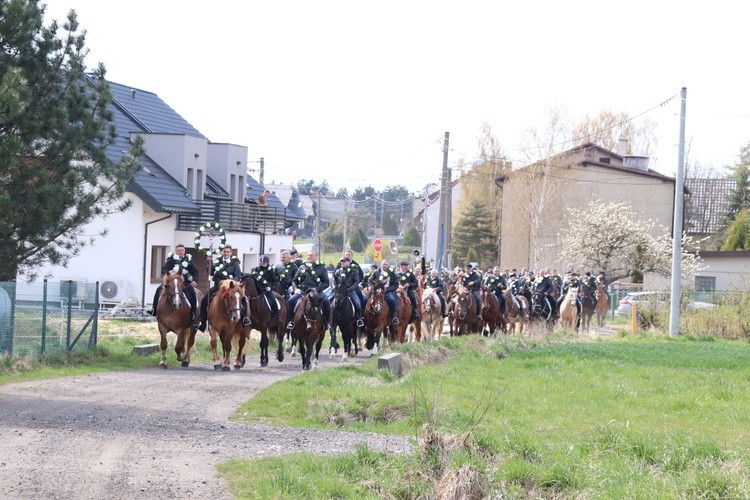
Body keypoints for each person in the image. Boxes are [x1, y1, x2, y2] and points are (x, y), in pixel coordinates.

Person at [196, 245, 247, 332]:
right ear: (222, 252)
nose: (226, 253)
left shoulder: (235, 263)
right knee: (205, 299)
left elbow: (238, 276)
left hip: (232, 287)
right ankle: (203, 323)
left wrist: (230, 283)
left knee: (243, 299)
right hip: (219, 286)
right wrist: (209, 263)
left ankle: (244, 319)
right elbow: (211, 273)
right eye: (224, 251)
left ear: (231, 253)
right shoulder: (217, 261)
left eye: (227, 252)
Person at [147, 244, 200, 327]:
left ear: (184, 251)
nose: (180, 252)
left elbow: (195, 271)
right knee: (158, 289)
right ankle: (154, 309)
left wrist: (194, 280)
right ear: (176, 251)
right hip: (171, 282)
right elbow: (164, 269)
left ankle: (193, 312)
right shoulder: (171, 260)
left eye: (182, 250)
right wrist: (170, 274)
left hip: (184, 283)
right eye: (178, 250)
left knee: (192, 292)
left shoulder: (188, 260)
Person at [286, 250, 330, 330]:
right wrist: (296, 289)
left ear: (316, 257)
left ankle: (326, 323)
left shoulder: (322, 268)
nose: (309, 257)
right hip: (303, 291)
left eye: (311, 255)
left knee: (327, 302)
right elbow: (294, 280)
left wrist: (316, 289)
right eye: (308, 255)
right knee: (290, 301)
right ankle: (291, 321)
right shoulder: (302, 267)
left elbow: (326, 283)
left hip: (317, 292)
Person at [249, 255, 282, 325]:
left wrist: (270, 287)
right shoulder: (256, 270)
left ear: (267, 263)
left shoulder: (270, 270)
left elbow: (275, 280)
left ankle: (277, 316)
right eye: (261, 263)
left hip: (267, 289)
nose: (262, 264)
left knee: (273, 299)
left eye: (264, 263)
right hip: (257, 289)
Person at [333, 256, 364, 327]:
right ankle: (329, 319)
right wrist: (335, 287)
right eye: (341, 262)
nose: (342, 263)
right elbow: (334, 281)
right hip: (339, 292)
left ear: (348, 262)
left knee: (357, 303)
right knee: (329, 300)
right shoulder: (338, 271)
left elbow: (356, 281)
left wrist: (350, 289)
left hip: (349, 291)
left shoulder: (354, 270)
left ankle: (359, 319)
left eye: (344, 261)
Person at [336, 250, 367, 316]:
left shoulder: (355, 265)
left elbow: (360, 276)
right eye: (346, 254)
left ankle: (360, 316)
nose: (348, 256)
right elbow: (334, 277)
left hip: (352, 287)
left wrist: (352, 287)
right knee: (330, 299)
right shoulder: (339, 265)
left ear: (352, 256)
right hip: (340, 289)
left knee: (360, 299)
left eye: (349, 255)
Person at [371, 259, 400, 324]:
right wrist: (373, 286)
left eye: (386, 264)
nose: (385, 265)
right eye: (384, 264)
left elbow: (396, 284)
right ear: (381, 264)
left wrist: (387, 289)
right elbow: (370, 279)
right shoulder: (376, 272)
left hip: (388, 290)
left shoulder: (392, 273)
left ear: (388, 265)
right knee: (366, 299)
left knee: (392, 300)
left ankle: (394, 316)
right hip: (377, 290)